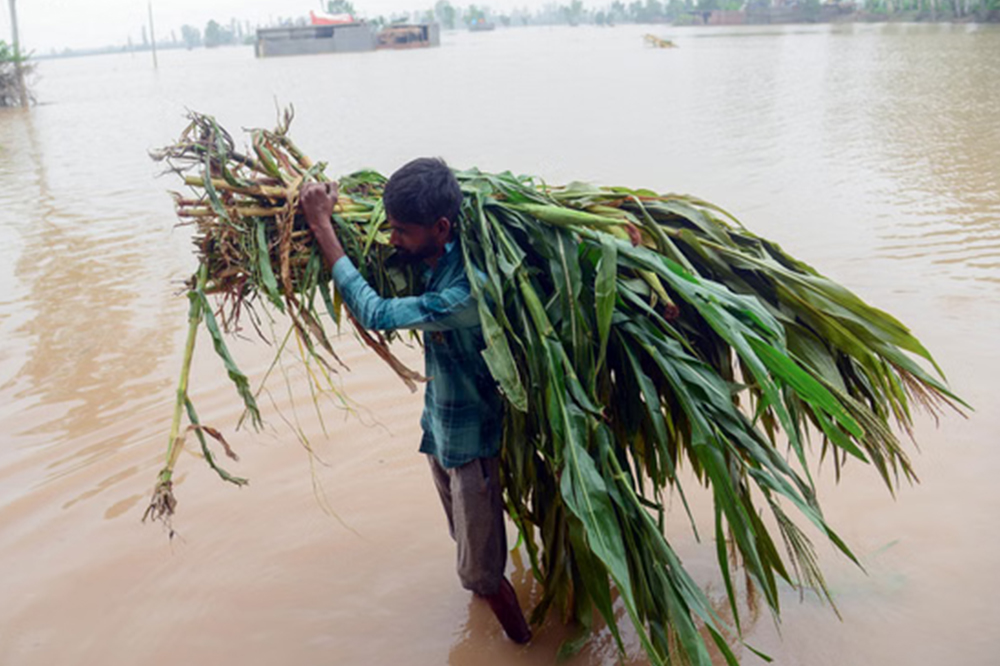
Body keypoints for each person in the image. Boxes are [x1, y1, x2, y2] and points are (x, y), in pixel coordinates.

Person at [299, 157, 532, 645]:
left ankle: (524, 648)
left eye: (401, 230)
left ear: (441, 226)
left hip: (472, 448)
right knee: (468, 548)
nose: (392, 237)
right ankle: (486, 608)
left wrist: (322, 225)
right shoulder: (436, 255)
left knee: (484, 574)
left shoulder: (467, 291)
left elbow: (377, 313)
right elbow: (390, 268)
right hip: (441, 433)